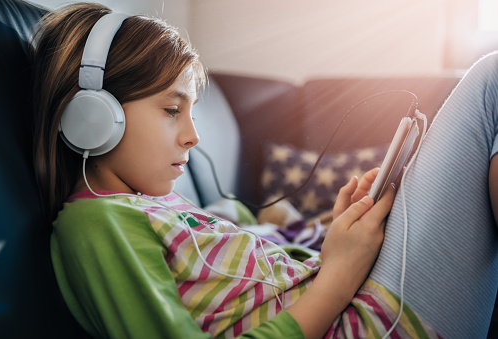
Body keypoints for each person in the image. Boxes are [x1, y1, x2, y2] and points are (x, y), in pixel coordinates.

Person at [31, 3, 498, 339]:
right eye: (172, 109)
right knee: (490, 84)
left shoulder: (147, 205)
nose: (193, 135)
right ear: (91, 117)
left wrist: (337, 238)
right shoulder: (94, 223)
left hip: (354, 295)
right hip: (363, 320)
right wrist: (336, 274)